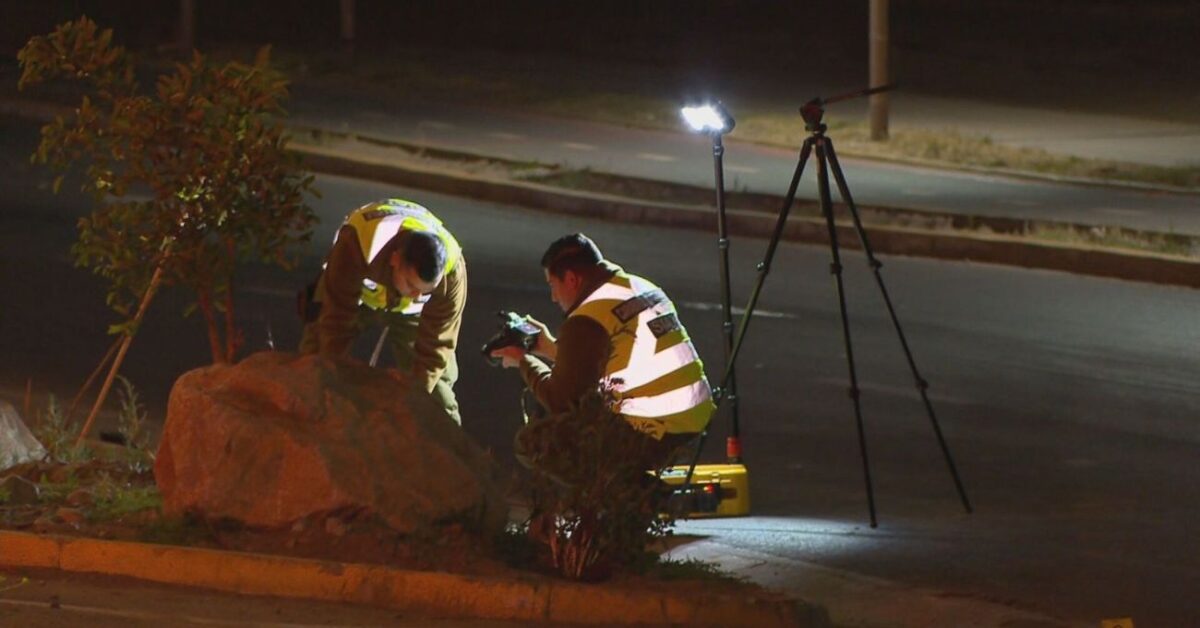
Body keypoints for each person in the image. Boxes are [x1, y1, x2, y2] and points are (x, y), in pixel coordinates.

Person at [490, 233, 714, 481]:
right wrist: (552, 348)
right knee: (593, 406)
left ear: (572, 279)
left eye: (553, 285)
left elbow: (560, 399)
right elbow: (614, 357)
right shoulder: (640, 287)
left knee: (535, 442)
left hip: (654, 432)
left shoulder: (586, 318)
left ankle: (632, 494)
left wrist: (522, 360)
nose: (553, 297)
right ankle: (631, 490)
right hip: (694, 418)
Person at [299, 198, 467, 424]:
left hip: (411, 316)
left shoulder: (452, 272)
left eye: (425, 292)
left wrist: (416, 395)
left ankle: (447, 452)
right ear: (395, 260)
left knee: (438, 394)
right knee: (316, 358)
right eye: (411, 285)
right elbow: (336, 315)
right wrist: (330, 379)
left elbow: (437, 346)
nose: (416, 295)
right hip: (355, 298)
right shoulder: (359, 240)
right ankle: (302, 423)